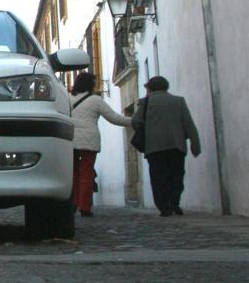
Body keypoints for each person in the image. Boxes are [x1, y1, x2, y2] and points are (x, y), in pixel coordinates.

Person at [132, 75, 202, 217]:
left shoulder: (145, 103)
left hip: (154, 147)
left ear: (150, 88)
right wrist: (196, 144)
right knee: (176, 175)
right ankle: (174, 202)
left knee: (158, 177)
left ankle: (164, 207)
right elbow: (189, 124)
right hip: (176, 145)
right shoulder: (178, 101)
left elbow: (136, 121)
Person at [68, 71, 132, 217]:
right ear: (91, 85)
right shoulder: (96, 100)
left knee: (73, 173)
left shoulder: (67, 98)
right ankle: (85, 206)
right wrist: (132, 121)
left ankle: (73, 203)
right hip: (89, 140)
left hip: (70, 140)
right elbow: (113, 118)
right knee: (87, 173)